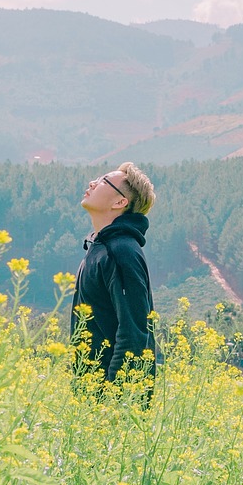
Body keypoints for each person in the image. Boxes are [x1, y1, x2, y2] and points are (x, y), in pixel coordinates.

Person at [71, 162, 158, 403]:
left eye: (103, 181)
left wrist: (115, 401)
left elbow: (133, 331)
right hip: (91, 394)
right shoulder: (100, 247)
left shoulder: (121, 252)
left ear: (120, 202)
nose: (92, 183)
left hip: (111, 401)